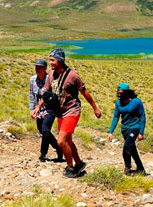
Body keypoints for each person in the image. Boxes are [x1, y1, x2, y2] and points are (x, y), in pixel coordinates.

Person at [32, 48, 102, 178]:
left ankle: (70, 167)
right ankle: (79, 163)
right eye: (50, 60)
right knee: (68, 141)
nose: (51, 63)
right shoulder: (52, 74)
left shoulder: (72, 75)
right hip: (60, 112)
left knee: (61, 141)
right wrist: (37, 107)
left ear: (60, 60)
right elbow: (46, 94)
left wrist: (95, 108)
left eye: (53, 60)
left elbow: (84, 92)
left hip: (72, 110)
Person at [108, 83, 147, 176]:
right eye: (118, 93)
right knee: (132, 149)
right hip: (124, 129)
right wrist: (111, 132)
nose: (119, 95)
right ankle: (140, 168)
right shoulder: (118, 103)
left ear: (127, 92)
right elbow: (116, 117)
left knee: (127, 146)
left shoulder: (136, 101)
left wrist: (141, 132)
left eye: (121, 93)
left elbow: (143, 116)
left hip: (135, 127)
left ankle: (127, 168)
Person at [29, 59, 63, 163]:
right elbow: (31, 96)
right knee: (43, 132)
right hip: (38, 111)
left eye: (40, 68)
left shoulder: (50, 79)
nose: (37, 70)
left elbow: (52, 95)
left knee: (45, 130)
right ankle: (56, 148)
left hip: (49, 109)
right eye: (36, 67)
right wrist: (32, 110)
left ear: (45, 68)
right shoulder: (32, 80)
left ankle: (45, 153)